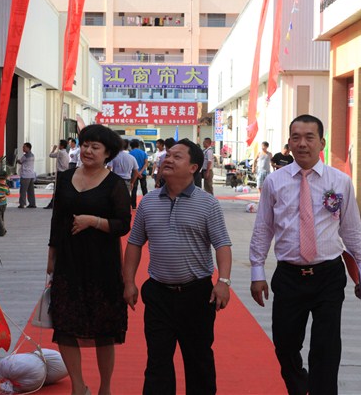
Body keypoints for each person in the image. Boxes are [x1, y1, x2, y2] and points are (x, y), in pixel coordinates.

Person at [248, 114, 361, 395]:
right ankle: (299, 384)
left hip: (328, 275)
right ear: (289, 143)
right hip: (289, 276)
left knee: (326, 348)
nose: (302, 143)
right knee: (285, 344)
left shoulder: (340, 182)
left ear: (321, 143)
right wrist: (257, 272)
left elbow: (351, 229)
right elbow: (263, 228)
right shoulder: (274, 182)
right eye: (296, 138)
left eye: (309, 137)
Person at [123, 139, 233, 395]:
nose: (168, 160)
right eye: (168, 155)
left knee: (199, 361)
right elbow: (134, 243)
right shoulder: (148, 202)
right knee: (157, 361)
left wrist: (223, 282)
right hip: (158, 294)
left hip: (197, 295)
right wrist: (128, 282)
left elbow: (222, 245)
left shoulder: (208, 204)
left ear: (193, 167)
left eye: (177, 157)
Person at [46, 124, 131, 395]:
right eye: (85, 145)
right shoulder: (65, 177)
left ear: (107, 153)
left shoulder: (115, 184)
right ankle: (78, 386)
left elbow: (123, 224)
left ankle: (105, 388)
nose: (88, 151)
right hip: (68, 260)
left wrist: (93, 221)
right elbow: (57, 219)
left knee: (104, 329)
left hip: (102, 263)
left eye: (95, 147)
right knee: (65, 325)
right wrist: (51, 257)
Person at [45, 140, 70, 209]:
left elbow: (51, 155)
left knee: (57, 189)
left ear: (62, 146)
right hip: (64, 172)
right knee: (61, 189)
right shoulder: (65, 153)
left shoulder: (60, 152)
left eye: (59, 144)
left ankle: (53, 204)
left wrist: (53, 149)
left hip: (60, 173)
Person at [129, 139, 149, 209]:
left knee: (134, 189)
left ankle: (134, 205)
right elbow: (146, 163)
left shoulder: (130, 153)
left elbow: (131, 165)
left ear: (131, 146)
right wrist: (141, 172)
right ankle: (146, 204)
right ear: (138, 145)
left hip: (134, 174)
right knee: (144, 188)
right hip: (143, 173)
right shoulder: (143, 153)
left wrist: (137, 173)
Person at [16, 142, 36, 208]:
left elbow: (20, 161)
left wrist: (16, 160)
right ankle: (32, 203)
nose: (23, 148)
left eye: (24, 147)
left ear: (28, 148)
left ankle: (22, 204)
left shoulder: (25, 156)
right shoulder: (32, 155)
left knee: (23, 190)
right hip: (31, 175)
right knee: (31, 191)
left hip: (25, 175)